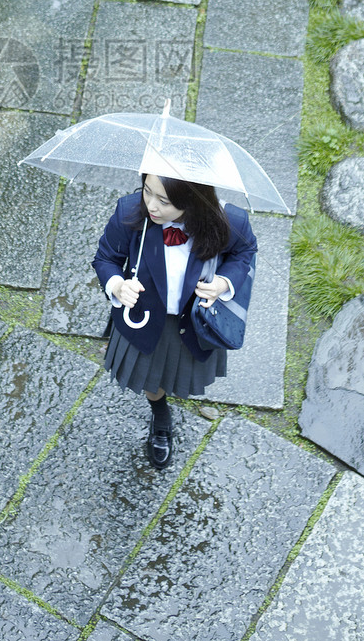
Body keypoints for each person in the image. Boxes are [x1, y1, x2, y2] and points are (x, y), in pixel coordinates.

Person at [92, 173, 257, 468]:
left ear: (192, 198)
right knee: (151, 377)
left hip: (192, 320)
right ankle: (160, 413)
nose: (152, 206)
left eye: (164, 201)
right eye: (147, 191)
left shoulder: (229, 220)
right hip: (145, 317)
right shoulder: (130, 211)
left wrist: (224, 283)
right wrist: (117, 285)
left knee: (177, 373)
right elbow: (106, 258)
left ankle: (161, 406)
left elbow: (244, 253)